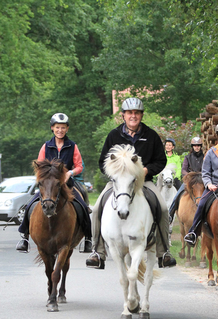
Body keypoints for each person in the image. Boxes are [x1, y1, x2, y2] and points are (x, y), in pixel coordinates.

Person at [85, 97, 177, 269]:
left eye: (136, 113)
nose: (133, 116)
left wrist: (146, 170)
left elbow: (161, 160)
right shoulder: (113, 135)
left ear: (141, 115)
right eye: (129, 113)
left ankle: (163, 252)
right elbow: (102, 162)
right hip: (118, 183)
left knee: (163, 208)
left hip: (144, 183)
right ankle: (97, 252)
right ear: (123, 115)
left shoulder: (151, 136)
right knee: (97, 207)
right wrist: (115, 174)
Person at [16, 113, 92, 253]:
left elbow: (79, 166)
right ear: (52, 128)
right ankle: (24, 237)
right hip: (49, 185)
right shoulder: (46, 146)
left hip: (67, 183)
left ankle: (88, 238)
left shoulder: (72, 146)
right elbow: (39, 165)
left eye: (63, 127)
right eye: (57, 127)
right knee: (30, 204)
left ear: (67, 129)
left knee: (82, 205)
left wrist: (69, 173)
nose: (60, 130)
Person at [168, 136, 204, 222]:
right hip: (190, 181)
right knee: (178, 195)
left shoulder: (205, 157)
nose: (197, 147)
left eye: (198, 145)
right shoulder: (187, 157)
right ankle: (171, 213)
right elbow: (184, 169)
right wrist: (188, 176)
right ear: (192, 146)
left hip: (201, 181)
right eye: (195, 145)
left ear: (200, 146)